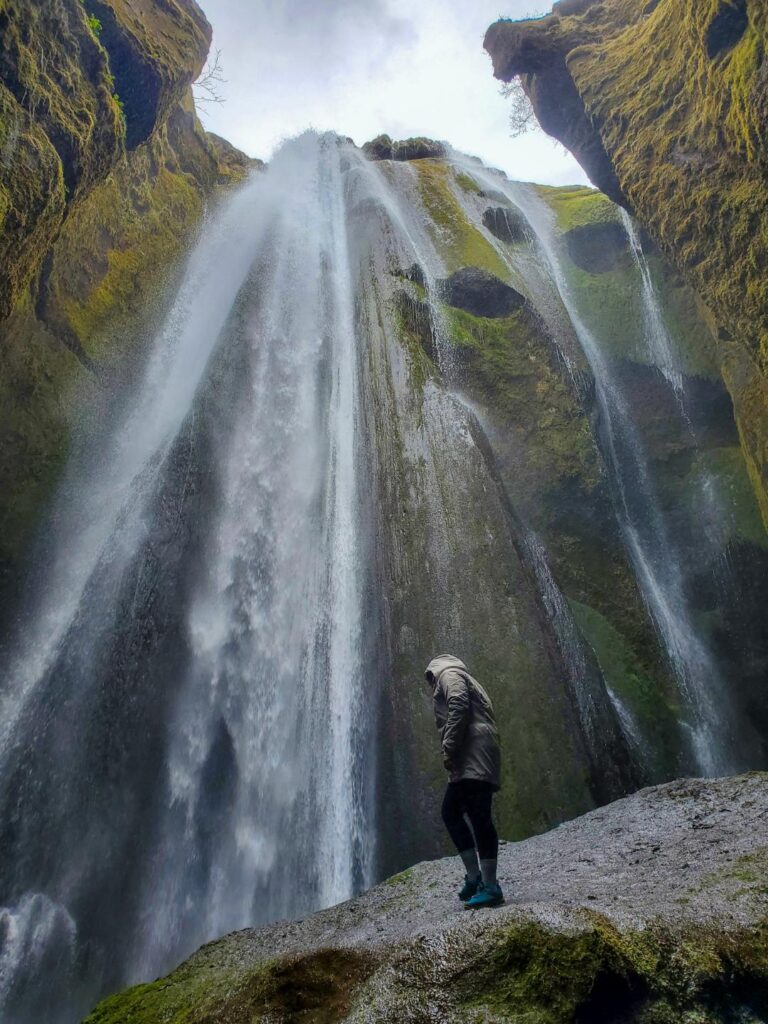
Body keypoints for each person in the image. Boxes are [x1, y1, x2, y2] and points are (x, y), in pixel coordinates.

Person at [424, 654, 504, 908]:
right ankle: (475, 877)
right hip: (473, 755)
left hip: (473, 753)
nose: (430, 684)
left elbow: (458, 704)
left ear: (434, 670)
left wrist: (448, 746)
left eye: (429, 679)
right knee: (453, 812)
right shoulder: (463, 678)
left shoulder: (449, 675)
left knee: (478, 816)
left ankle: (489, 886)